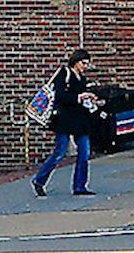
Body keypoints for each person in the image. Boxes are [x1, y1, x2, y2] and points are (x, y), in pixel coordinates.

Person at [33, 47, 101, 198]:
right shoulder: (64, 73)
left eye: (87, 64)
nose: (85, 66)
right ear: (76, 62)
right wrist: (79, 97)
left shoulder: (82, 79)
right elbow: (60, 96)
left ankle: (80, 186)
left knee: (84, 152)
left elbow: (81, 97)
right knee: (60, 152)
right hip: (64, 119)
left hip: (80, 120)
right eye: (83, 63)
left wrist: (89, 99)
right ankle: (39, 180)